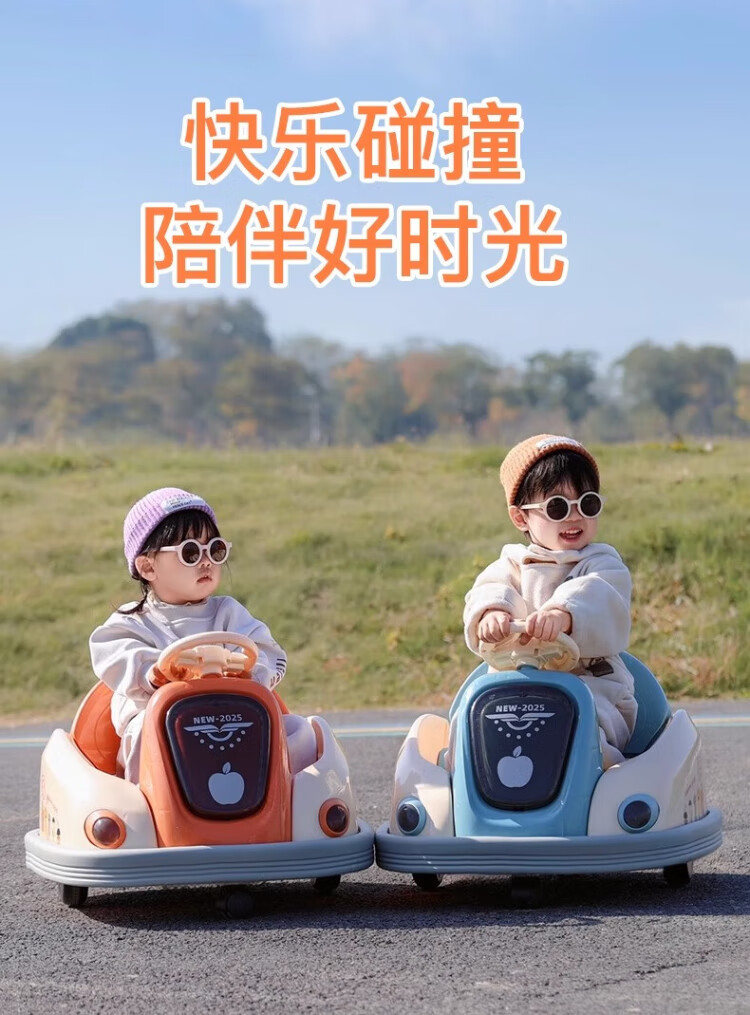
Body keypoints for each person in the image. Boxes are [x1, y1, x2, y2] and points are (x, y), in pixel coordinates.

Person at [90, 487, 313, 783]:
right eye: (191, 552)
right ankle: (150, 803)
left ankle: (291, 798)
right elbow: (111, 654)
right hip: (164, 728)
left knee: (300, 729)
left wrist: (249, 672)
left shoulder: (228, 613)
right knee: (146, 729)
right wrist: (152, 672)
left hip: (231, 718)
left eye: (215, 549)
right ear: (148, 566)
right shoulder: (133, 622)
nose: (206, 561)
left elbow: (267, 651)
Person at [463, 434, 637, 768]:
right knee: (470, 722)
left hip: (591, 686)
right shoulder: (512, 563)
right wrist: (492, 613)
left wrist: (564, 613)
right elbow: (490, 588)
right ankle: (465, 775)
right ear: (521, 518)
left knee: (584, 727)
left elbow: (600, 595)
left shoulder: (602, 563)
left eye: (587, 504)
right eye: (557, 507)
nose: (575, 517)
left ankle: (605, 773)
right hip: (516, 686)